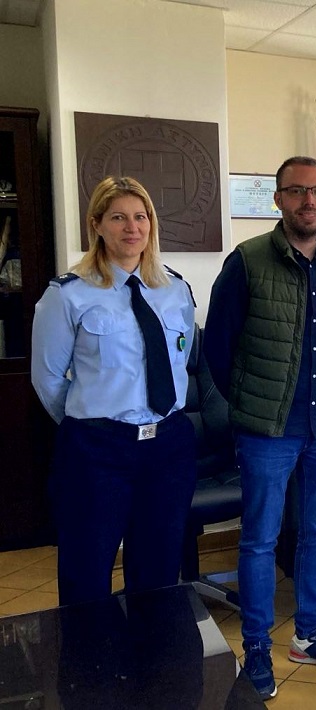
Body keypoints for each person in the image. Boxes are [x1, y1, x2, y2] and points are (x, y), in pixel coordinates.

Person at [205, 156, 316, 700]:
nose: (308, 201)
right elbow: (217, 348)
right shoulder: (247, 261)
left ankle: (310, 635)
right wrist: (250, 402)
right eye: (296, 192)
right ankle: (256, 649)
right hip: (268, 430)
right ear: (278, 200)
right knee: (259, 541)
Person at [30, 176, 196, 607]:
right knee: (86, 572)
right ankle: (89, 653)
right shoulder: (68, 294)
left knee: (160, 572)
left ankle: (151, 651)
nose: (132, 227)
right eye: (118, 217)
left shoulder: (175, 289)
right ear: (97, 225)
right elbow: (47, 379)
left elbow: (180, 360)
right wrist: (92, 423)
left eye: (140, 217)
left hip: (167, 446)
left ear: (151, 224)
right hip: (97, 451)